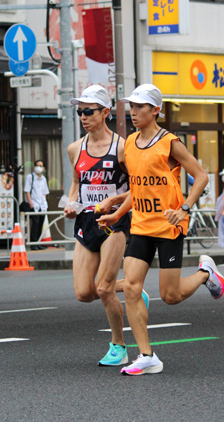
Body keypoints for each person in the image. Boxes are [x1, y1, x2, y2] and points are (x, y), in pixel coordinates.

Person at [97, 84, 224, 376]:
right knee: (131, 287)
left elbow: (202, 176)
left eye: (140, 106)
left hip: (169, 225)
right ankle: (146, 356)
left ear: (156, 110)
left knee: (170, 296)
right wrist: (117, 212)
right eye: (131, 106)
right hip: (141, 225)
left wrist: (185, 208)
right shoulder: (129, 143)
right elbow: (137, 186)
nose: (134, 112)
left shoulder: (169, 142)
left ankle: (206, 273)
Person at [64, 85, 148, 367]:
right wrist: (71, 204)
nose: (83, 116)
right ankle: (132, 287)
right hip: (87, 220)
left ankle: (119, 346)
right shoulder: (74, 149)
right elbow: (77, 182)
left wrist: (115, 202)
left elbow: (138, 187)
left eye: (88, 111)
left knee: (103, 289)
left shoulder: (124, 148)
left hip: (116, 220)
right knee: (83, 292)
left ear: (105, 113)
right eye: (79, 112)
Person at [24, 159, 50, 250]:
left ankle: (38, 242)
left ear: (43, 168)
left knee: (41, 224)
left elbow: (45, 192)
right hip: (34, 204)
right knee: (35, 223)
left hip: (42, 205)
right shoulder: (30, 177)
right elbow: (27, 191)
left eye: (41, 166)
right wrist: (30, 202)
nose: (39, 167)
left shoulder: (43, 179)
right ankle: (33, 243)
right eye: (37, 165)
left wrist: (45, 202)